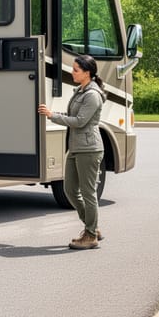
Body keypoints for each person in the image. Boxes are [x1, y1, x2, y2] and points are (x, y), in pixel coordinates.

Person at [38, 55, 106, 250]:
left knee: (88, 193)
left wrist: (53, 116)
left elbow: (79, 121)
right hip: (76, 148)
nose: (72, 72)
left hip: (89, 149)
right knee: (69, 189)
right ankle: (92, 226)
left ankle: (91, 235)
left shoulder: (92, 95)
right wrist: (55, 114)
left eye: (76, 69)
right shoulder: (81, 91)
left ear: (87, 73)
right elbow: (73, 116)